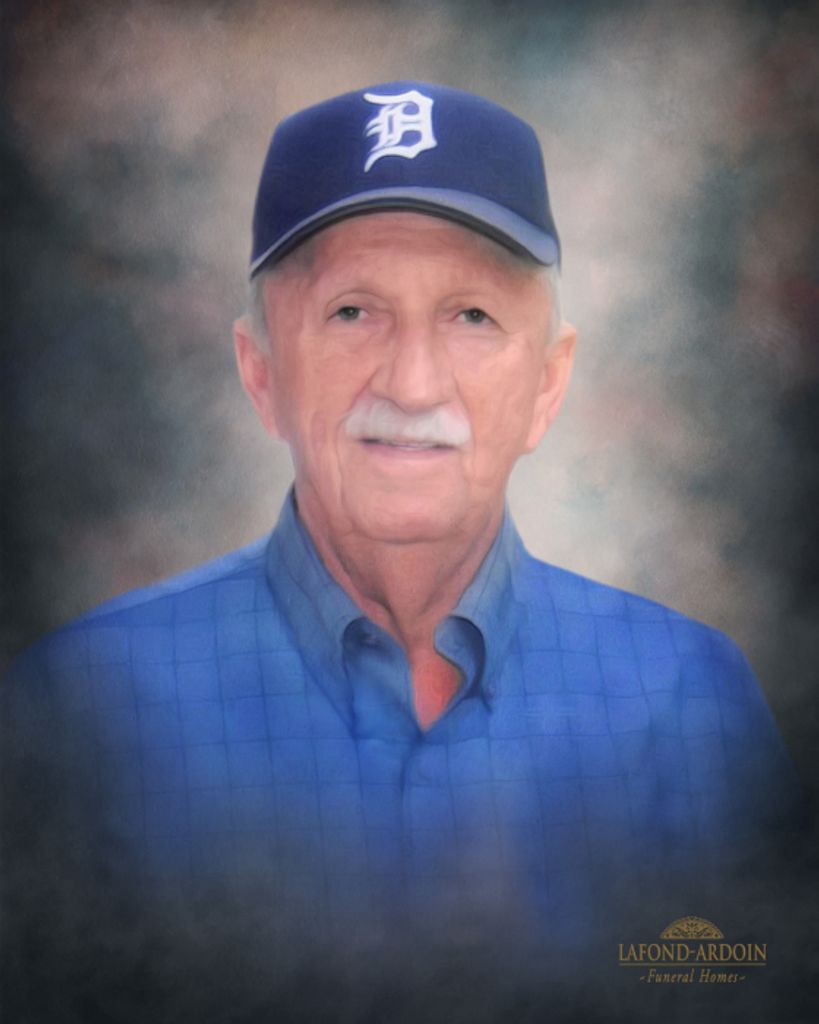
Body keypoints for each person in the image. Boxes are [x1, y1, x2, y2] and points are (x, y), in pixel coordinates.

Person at [2, 82, 800, 1019]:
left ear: (548, 384)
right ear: (260, 373)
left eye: (471, 316)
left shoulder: (688, 699)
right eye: (352, 312)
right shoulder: (80, 708)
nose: (414, 385)